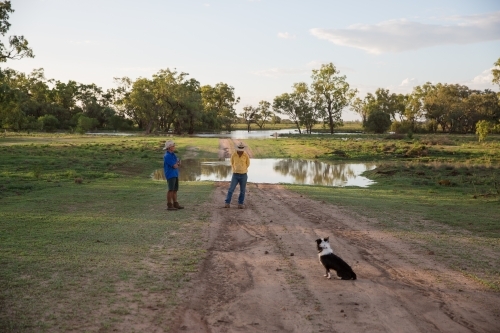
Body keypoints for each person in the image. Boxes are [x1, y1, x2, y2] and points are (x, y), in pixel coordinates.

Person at [224, 142, 250, 209]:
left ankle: (240, 204)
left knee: (242, 190)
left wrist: (243, 169)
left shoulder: (246, 155)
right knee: (231, 189)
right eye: (239, 149)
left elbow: (248, 164)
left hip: (243, 175)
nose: (241, 150)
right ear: (237, 149)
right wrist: (236, 169)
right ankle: (227, 203)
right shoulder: (234, 155)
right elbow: (232, 163)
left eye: (242, 149)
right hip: (235, 175)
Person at [163, 140, 184, 211]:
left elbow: (178, 162)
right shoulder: (167, 156)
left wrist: (177, 163)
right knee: (171, 190)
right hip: (170, 174)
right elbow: (175, 165)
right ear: (169, 147)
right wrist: (177, 163)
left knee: (175, 190)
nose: (174, 147)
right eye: (173, 146)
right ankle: (169, 205)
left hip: (175, 173)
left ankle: (175, 203)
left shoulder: (173, 154)